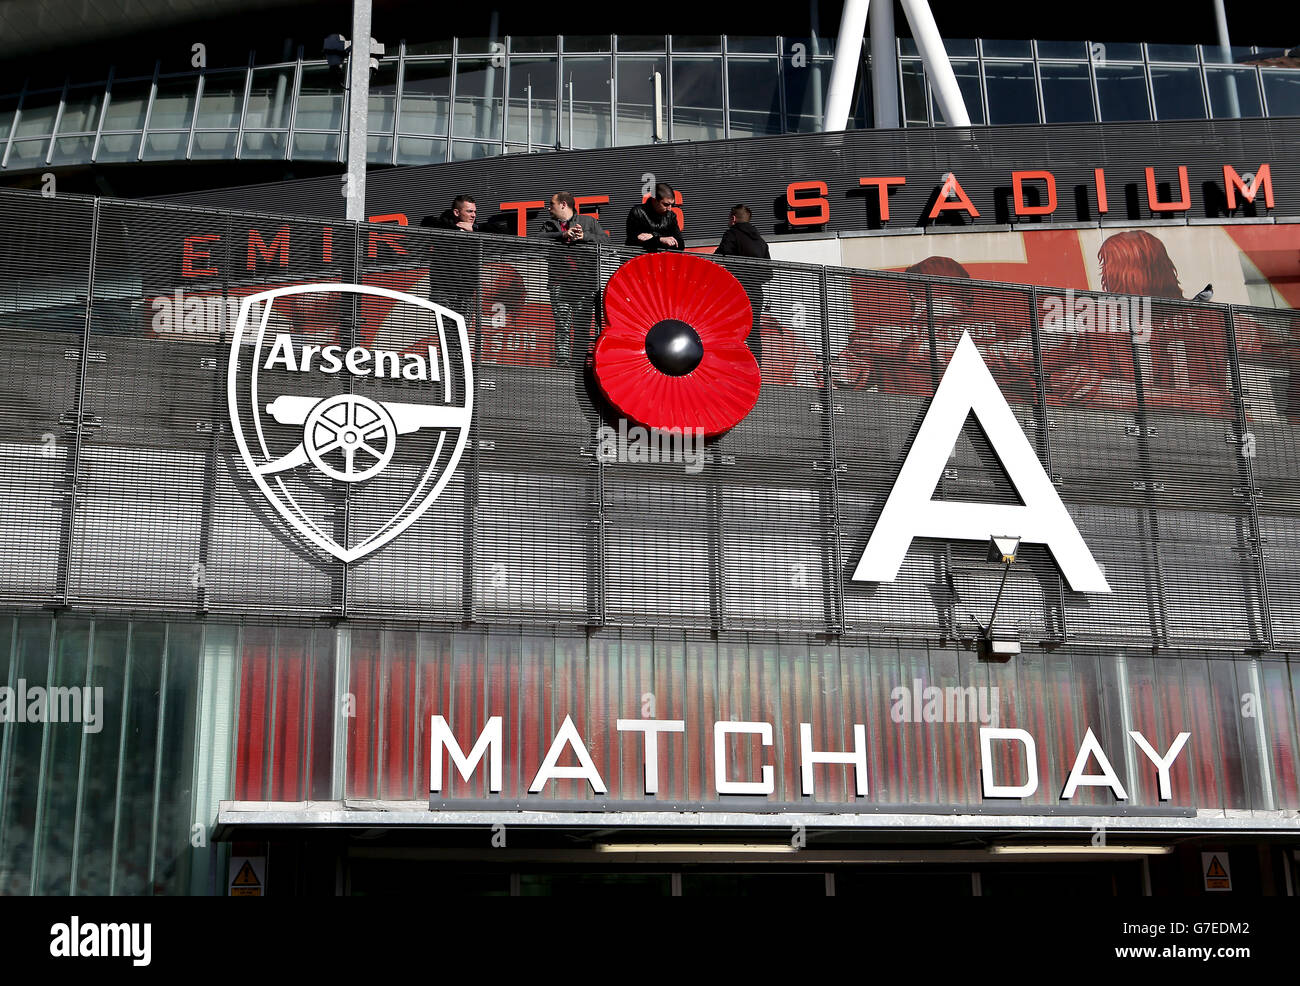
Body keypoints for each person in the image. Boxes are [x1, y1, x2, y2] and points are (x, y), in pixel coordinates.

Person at [533, 191, 610, 366]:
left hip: (584, 283)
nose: (548, 207)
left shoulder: (588, 222)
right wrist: (563, 235)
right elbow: (536, 240)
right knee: (562, 324)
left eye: (551, 204)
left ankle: (578, 363)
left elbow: (606, 242)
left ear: (563, 205)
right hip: (559, 282)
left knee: (582, 326)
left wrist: (585, 237)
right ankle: (562, 362)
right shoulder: (549, 225)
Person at [713, 204, 772, 363]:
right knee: (753, 333)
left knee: (728, 330)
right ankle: (757, 370)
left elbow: (719, 258)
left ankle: (730, 368)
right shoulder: (761, 242)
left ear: (733, 219)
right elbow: (768, 274)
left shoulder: (732, 234)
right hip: (756, 294)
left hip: (736, 293)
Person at [426, 194, 480, 320]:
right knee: (448, 336)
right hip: (444, 291)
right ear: (456, 212)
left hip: (466, 293)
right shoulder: (442, 226)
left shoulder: (477, 232)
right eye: (469, 211)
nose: (474, 215)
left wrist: (472, 234)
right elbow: (427, 223)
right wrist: (457, 229)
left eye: (475, 211)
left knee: (462, 337)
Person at [625, 183, 684, 252]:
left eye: (672, 204)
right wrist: (661, 239)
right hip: (641, 259)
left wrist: (653, 236)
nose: (669, 208)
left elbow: (680, 244)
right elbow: (634, 242)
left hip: (662, 258)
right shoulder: (637, 212)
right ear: (654, 200)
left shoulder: (671, 216)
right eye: (666, 204)